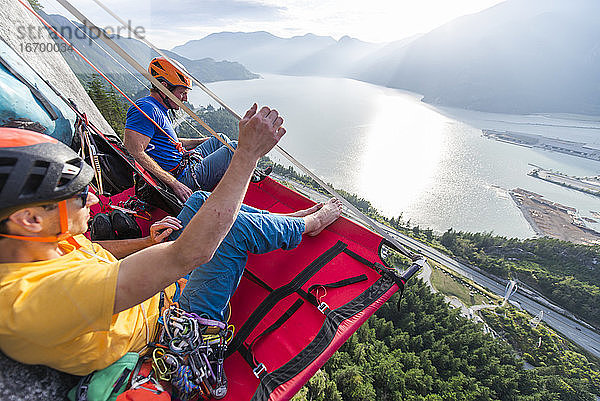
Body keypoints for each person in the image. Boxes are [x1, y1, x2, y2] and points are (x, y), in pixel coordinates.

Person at [0, 106, 342, 376]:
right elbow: (190, 254)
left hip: (157, 294)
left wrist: (145, 244)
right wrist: (247, 156)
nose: (91, 201)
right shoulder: (35, 300)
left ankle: (288, 222)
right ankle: (308, 224)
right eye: (77, 197)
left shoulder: (33, 244)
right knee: (232, 230)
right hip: (173, 326)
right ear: (30, 218)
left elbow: (93, 251)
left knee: (197, 201)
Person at [124, 56, 237, 202]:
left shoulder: (159, 108)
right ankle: (247, 180)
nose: (185, 99)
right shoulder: (146, 109)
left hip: (185, 164)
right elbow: (133, 151)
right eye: (182, 93)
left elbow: (169, 142)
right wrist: (175, 184)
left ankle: (252, 173)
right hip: (183, 177)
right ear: (164, 87)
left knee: (219, 139)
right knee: (233, 148)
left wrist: (202, 141)